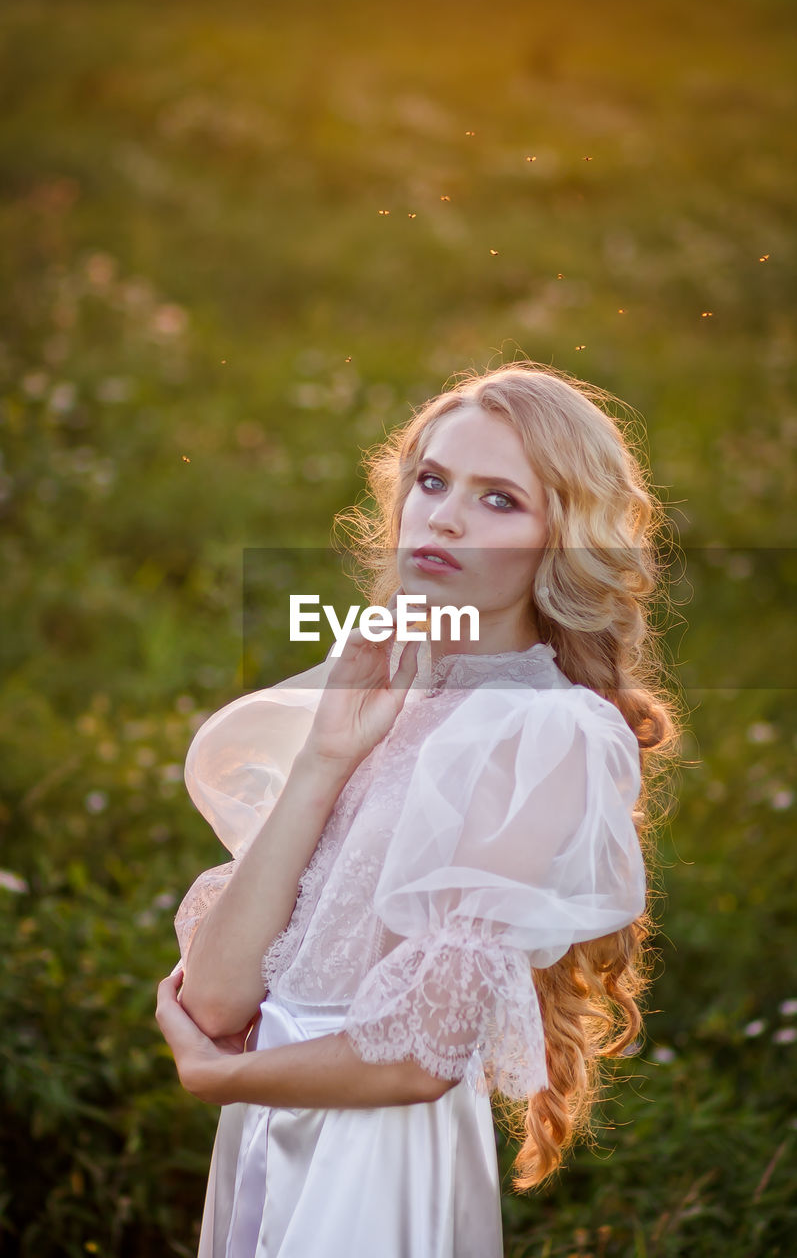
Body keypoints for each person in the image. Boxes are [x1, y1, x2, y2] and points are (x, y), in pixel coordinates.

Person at [155, 361, 679, 1258]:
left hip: (373, 1158)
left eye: (499, 500)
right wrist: (325, 761)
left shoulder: (545, 731)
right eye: (432, 481)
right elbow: (215, 994)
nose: (443, 515)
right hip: (267, 1128)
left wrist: (228, 1075)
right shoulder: (384, 693)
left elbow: (412, 1058)